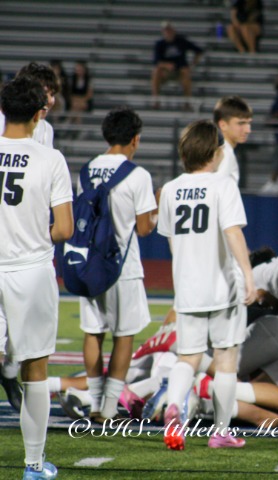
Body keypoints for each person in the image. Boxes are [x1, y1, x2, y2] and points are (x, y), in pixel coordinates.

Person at [157, 119, 256, 450]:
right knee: (226, 359)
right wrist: (248, 274)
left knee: (188, 357)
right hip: (222, 287)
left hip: (188, 288)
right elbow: (232, 232)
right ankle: (221, 432)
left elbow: (172, 241)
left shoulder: (170, 189)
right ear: (215, 152)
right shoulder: (223, 185)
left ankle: (174, 405)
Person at [0, 75, 74, 480]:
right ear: (38, 114)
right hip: (30, 271)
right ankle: (32, 466)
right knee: (35, 369)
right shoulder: (50, 158)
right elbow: (64, 229)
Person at [79, 107, 158, 424]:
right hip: (122, 267)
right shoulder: (138, 176)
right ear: (135, 139)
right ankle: (110, 408)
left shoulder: (86, 170)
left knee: (93, 332)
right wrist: (156, 208)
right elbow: (145, 228)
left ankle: (94, 402)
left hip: (89, 264)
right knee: (123, 336)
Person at [0, 62, 62, 413]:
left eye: (51, 93)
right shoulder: (44, 147)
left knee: (22, 343)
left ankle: (9, 370)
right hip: (23, 253)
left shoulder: (45, 132)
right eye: (44, 93)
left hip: (24, 241)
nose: (48, 100)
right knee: (36, 357)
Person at [151, 21, 203, 106]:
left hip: (180, 71)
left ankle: (187, 102)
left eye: (169, 30)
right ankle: (156, 100)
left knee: (186, 71)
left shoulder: (181, 41)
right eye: (166, 30)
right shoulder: (159, 44)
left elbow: (198, 50)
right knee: (156, 71)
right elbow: (156, 61)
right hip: (166, 72)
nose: (168, 32)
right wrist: (166, 65)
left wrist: (193, 64)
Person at [213, 95, 253, 184]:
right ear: (223, 125)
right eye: (241, 123)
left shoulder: (217, 150)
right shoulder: (224, 154)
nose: (248, 130)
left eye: (249, 123)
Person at [68, 60, 93, 126]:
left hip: (84, 101)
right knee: (76, 107)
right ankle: (77, 125)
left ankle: (70, 122)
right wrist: (75, 100)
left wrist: (80, 100)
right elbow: (70, 93)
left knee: (77, 106)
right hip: (75, 101)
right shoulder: (72, 79)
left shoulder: (88, 80)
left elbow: (89, 94)